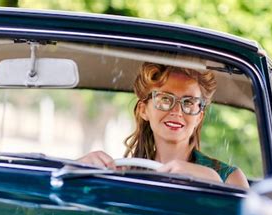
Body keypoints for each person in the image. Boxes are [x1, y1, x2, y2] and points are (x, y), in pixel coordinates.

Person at [78, 62, 249, 189]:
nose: (177, 111)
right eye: (165, 99)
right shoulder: (122, 175)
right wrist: (77, 171)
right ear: (143, 110)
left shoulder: (230, 178)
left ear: (199, 117)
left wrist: (213, 182)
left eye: (189, 102)